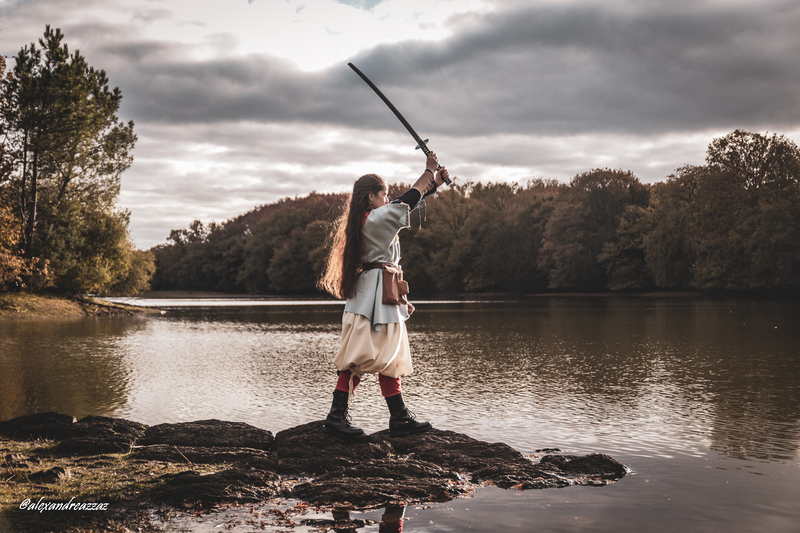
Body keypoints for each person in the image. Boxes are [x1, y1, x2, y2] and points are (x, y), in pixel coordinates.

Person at [318, 152, 449, 438]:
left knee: (389, 356)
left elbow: (403, 203)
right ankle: (336, 416)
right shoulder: (374, 220)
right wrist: (428, 172)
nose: (387, 199)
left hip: (378, 295)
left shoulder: (369, 219)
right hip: (374, 298)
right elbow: (405, 202)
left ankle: (399, 418)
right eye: (383, 195)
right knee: (357, 357)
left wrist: (433, 185)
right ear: (371, 198)